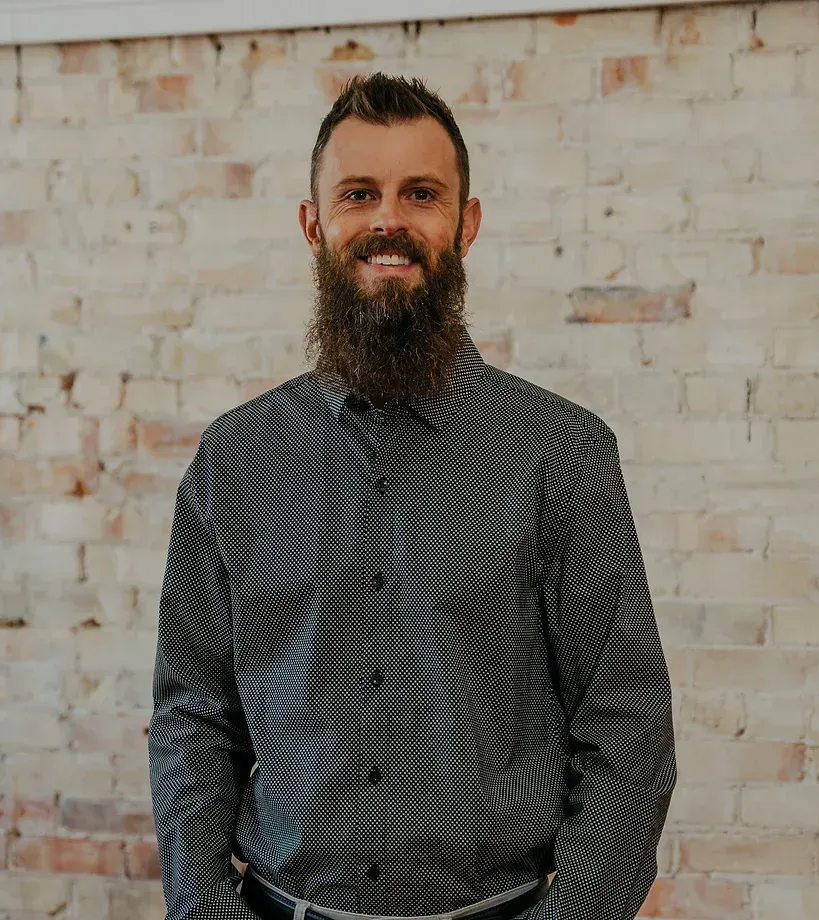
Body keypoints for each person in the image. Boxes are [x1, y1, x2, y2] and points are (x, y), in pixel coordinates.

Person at [148, 72, 677, 920]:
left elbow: (628, 722)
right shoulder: (235, 460)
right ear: (313, 224)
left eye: (421, 194)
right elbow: (191, 714)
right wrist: (207, 908)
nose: (388, 220)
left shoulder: (561, 454)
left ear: (466, 223)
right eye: (359, 194)